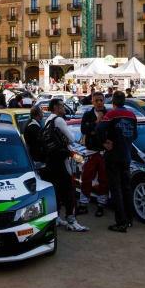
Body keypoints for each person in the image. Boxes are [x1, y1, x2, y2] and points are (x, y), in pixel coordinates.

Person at [40, 99, 87, 231]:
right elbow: (71, 139)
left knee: (57, 190)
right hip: (61, 160)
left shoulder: (48, 120)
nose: (64, 108)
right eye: (62, 105)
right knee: (69, 190)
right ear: (56, 107)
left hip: (51, 160)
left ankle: (56, 217)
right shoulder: (59, 120)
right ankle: (71, 220)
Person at [100, 91, 138, 232]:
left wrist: (105, 142)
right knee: (126, 188)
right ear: (125, 101)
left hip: (113, 156)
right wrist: (125, 142)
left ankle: (121, 222)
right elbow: (135, 135)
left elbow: (99, 130)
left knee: (116, 189)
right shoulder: (132, 115)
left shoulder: (111, 114)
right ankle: (129, 219)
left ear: (113, 102)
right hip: (126, 156)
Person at [78, 91, 109, 217]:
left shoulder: (109, 114)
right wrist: (96, 124)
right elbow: (84, 130)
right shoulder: (87, 114)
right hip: (90, 151)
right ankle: (83, 204)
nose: (99, 103)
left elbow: (110, 132)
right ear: (92, 102)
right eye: (97, 100)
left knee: (103, 179)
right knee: (86, 178)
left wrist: (94, 131)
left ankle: (101, 204)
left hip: (104, 153)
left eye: (101, 100)